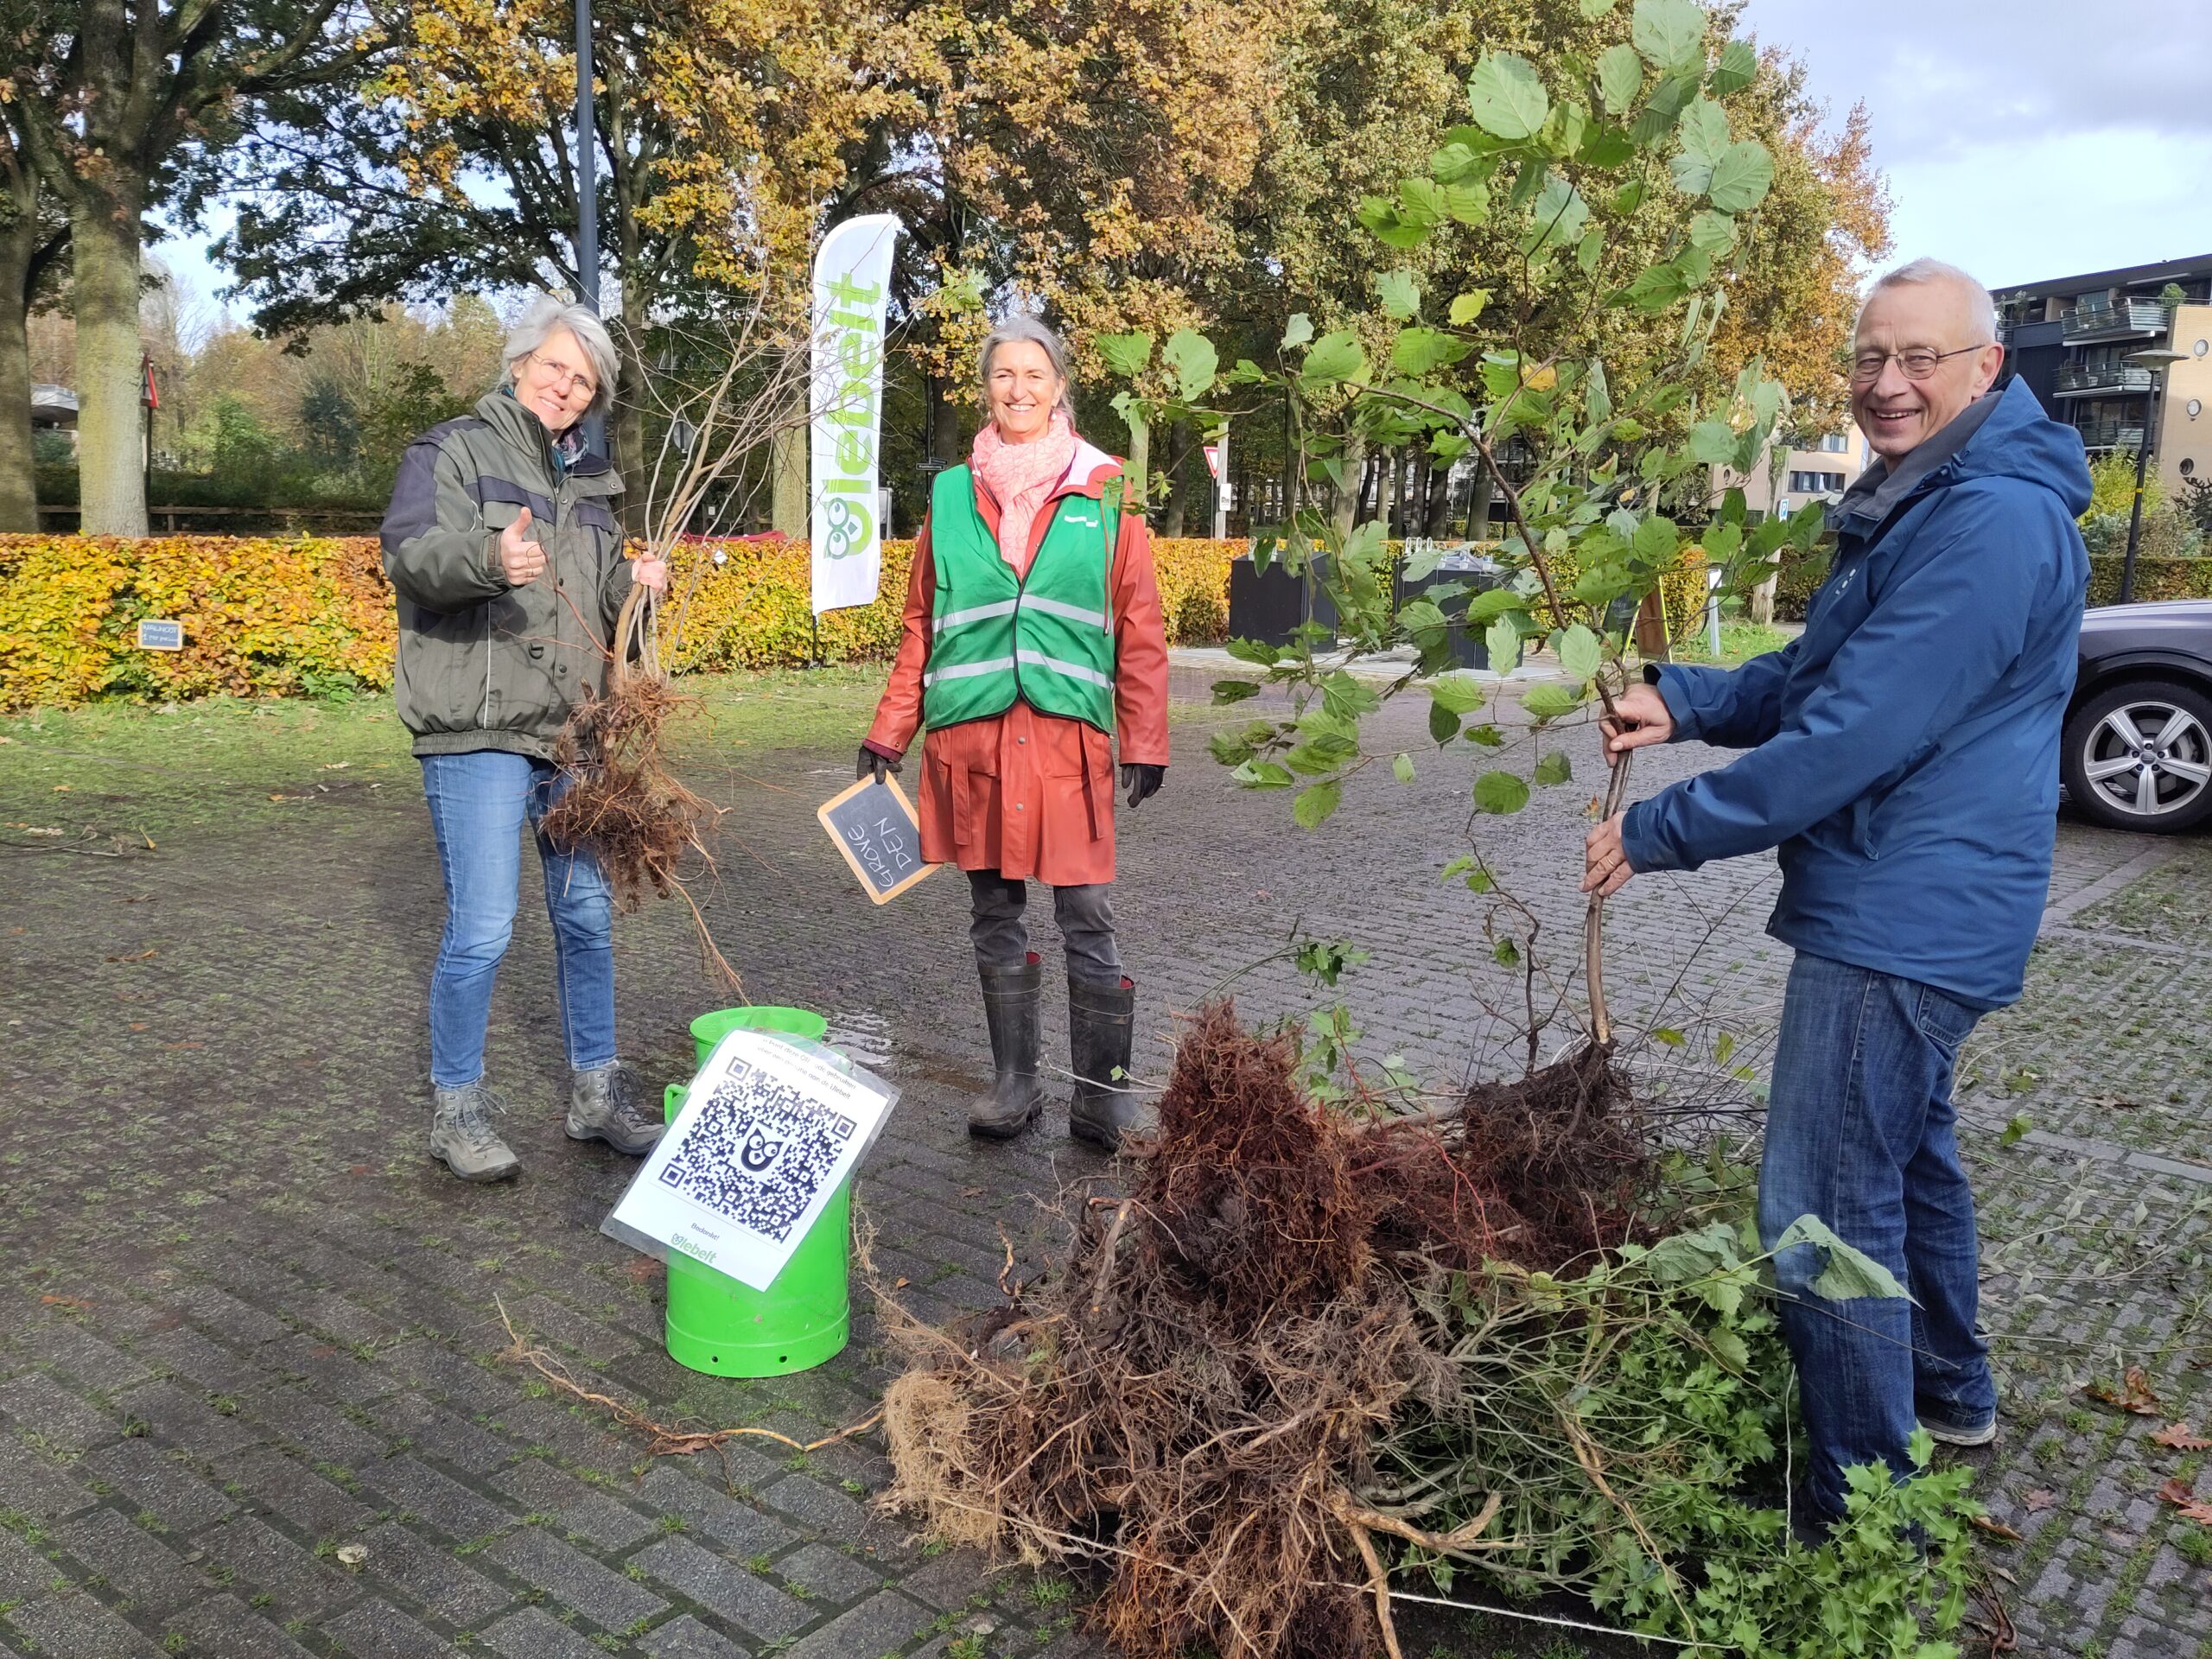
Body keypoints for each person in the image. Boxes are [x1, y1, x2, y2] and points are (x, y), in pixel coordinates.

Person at [1583, 258, 2089, 1527]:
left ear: (1986, 368)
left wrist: (1661, 830)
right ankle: (1947, 1392)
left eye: (1920, 358)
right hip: (1921, 903)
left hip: (1900, 914)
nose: (1888, 383)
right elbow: (1820, 673)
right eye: (1870, 357)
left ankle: (1859, 1507)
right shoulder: (1934, 499)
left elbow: (1851, 736)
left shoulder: (1989, 522)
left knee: (1820, 1201)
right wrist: (1685, 698)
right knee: (1907, 1163)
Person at [860, 315, 1170, 1149]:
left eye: (1035, 374)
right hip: (974, 743)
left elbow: (1138, 623)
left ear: (1060, 385)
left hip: (1068, 744)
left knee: (1087, 914)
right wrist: (890, 730)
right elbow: (922, 621)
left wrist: (1144, 739)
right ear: (986, 387)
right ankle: (1014, 1084)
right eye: (1004, 375)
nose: (1019, 389)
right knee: (994, 910)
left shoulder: (1107, 487)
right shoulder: (948, 495)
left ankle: (1102, 1097)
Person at [380, 296, 671, 1183]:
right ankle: (457, 1110)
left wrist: (638, 589)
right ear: (518, 367)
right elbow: (409, 557)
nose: (566, 388)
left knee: (586, 917)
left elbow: (599, 612)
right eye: (555, 368)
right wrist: (489, 560)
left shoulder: (594, 483)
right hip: (477, 727)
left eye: (583, 382)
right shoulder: (454, 450)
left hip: (572, 733)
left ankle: (595, 1094)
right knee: (483, 928)